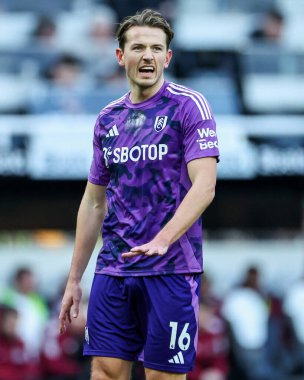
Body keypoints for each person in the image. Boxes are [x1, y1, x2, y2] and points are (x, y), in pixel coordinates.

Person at [59, 8, 219, 380]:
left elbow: (205, 186)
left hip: (171, 269)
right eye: (138, 47)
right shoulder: (107, 119)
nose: (147, 55)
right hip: (113, 269)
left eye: (156, 48)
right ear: (121, 56)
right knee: (105, 372)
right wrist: (73, 279)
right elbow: (94, 201)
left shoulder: (188, 107)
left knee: (162, 377)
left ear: (168, 56)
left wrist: (163, 240)